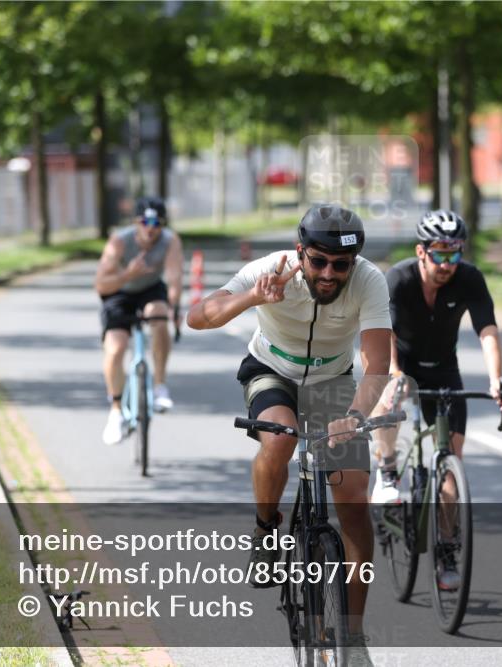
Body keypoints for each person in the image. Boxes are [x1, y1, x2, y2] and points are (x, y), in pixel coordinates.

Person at [187, 205, 390, 665]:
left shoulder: (369, 281)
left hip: (334, 382)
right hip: (271, 370)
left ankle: (352, 637)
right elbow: (198, 316)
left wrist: (355, 417)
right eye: (318, 261)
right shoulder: (270, 270)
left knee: (355, 498)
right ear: (301, 252)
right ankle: (265, 530)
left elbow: (378, 365)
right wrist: (251, 300)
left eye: (341, 265)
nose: (328, 273)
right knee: (280, 439)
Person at [370, 209, 502, 590]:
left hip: (444, 371)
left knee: (450, 470)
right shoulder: (398, 279)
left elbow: (487, 330)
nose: (448, 262)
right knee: (386, 402)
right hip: (401, 364)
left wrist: (497, 378)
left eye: (455, 253)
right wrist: (395, 375)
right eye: (440, 253)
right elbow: (382, 332)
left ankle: (447, 548)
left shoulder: (469, 278)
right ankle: (387, 471)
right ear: (422, 252)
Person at [96, 196, 183, 446]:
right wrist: (127, 274)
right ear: (136, 222)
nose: (151, 228)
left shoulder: (169, 241)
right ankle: (115, 411)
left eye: (157, 223)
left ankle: (159, 386)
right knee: (116, 348)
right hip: (118, 291)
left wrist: (174, 309)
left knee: (159, 315)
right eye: (145, 221)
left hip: (150, 289)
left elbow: (174, 280)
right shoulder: (119, 242)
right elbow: (101, 285)